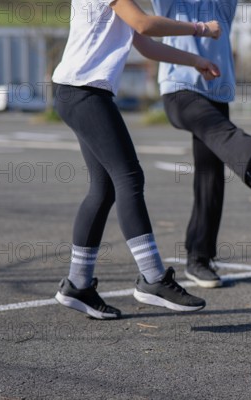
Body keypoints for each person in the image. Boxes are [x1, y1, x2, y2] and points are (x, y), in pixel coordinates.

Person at [52, 0, 222, 319]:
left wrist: (195, 60)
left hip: (79, 92)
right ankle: (153, 279)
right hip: (84, 93)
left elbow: (143, 43)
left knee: (103, 189)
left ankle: (77, 284)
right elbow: (144, 24)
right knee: (129, 178)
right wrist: (199, 29)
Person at [151, 0, 251, 289]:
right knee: (222, 137)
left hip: (216, 93)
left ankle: (199, 258)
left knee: (210, 178)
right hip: (181, 90)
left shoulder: (221, 5)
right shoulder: (173, 3)